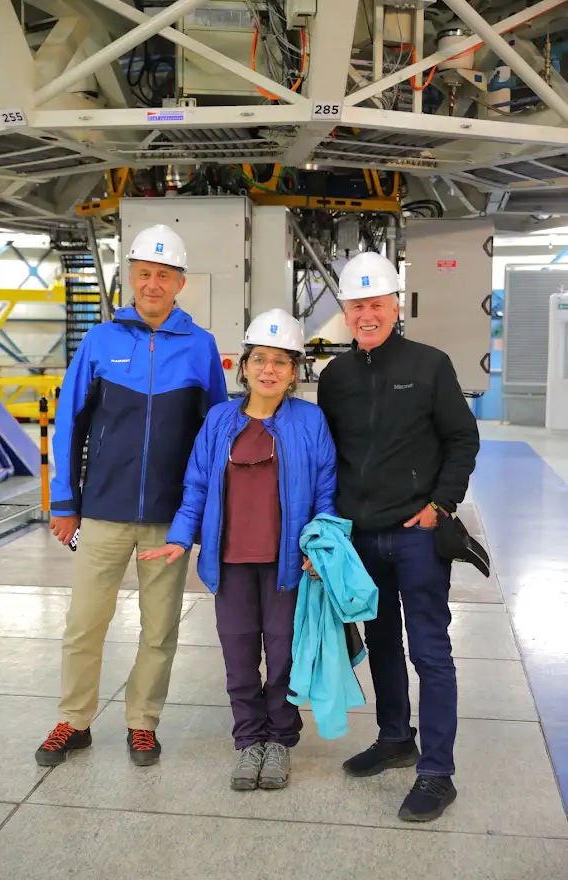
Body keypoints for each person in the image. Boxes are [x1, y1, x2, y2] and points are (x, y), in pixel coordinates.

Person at [35, 224, 227, 768]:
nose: (152, 284)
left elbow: (213, 432)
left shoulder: (201, 346)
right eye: (144, 273)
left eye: (163, 275)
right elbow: (69, 427)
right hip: (102, 513)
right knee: (83, 625)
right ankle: (74, 722)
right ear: (131, 278)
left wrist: (204, 512)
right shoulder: (99, 342)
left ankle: (143, 723)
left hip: (169, 520)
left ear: (180, 283)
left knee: (160, 629)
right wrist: (64, 503)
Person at [140, 309, 336, 791]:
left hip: (288, 564)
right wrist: (180, 538)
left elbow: (326, 492)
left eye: (281, 362)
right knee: (239, 655)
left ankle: (281, 742)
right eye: (259, 360)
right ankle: (250, 740)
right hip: (229, 564)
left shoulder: (310, 421)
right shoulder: (219, 419)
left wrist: (321, 547)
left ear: (294, 373)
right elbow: (197, 486)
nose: (269, 370)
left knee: (285, 656)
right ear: (243, 366)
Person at [317, 251, 479, 823]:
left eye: (376, 304)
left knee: (430, 651)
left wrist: (440, 505)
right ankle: (394, 738)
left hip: (416, 534)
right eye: (356, 305)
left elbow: (462, 439)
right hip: (363, 537)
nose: (366, 314)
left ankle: (438, 772)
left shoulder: (431, 365)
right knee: (382, 642)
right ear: (346, 310)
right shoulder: (335, 378)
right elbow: (329, 456)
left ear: (395, 305)